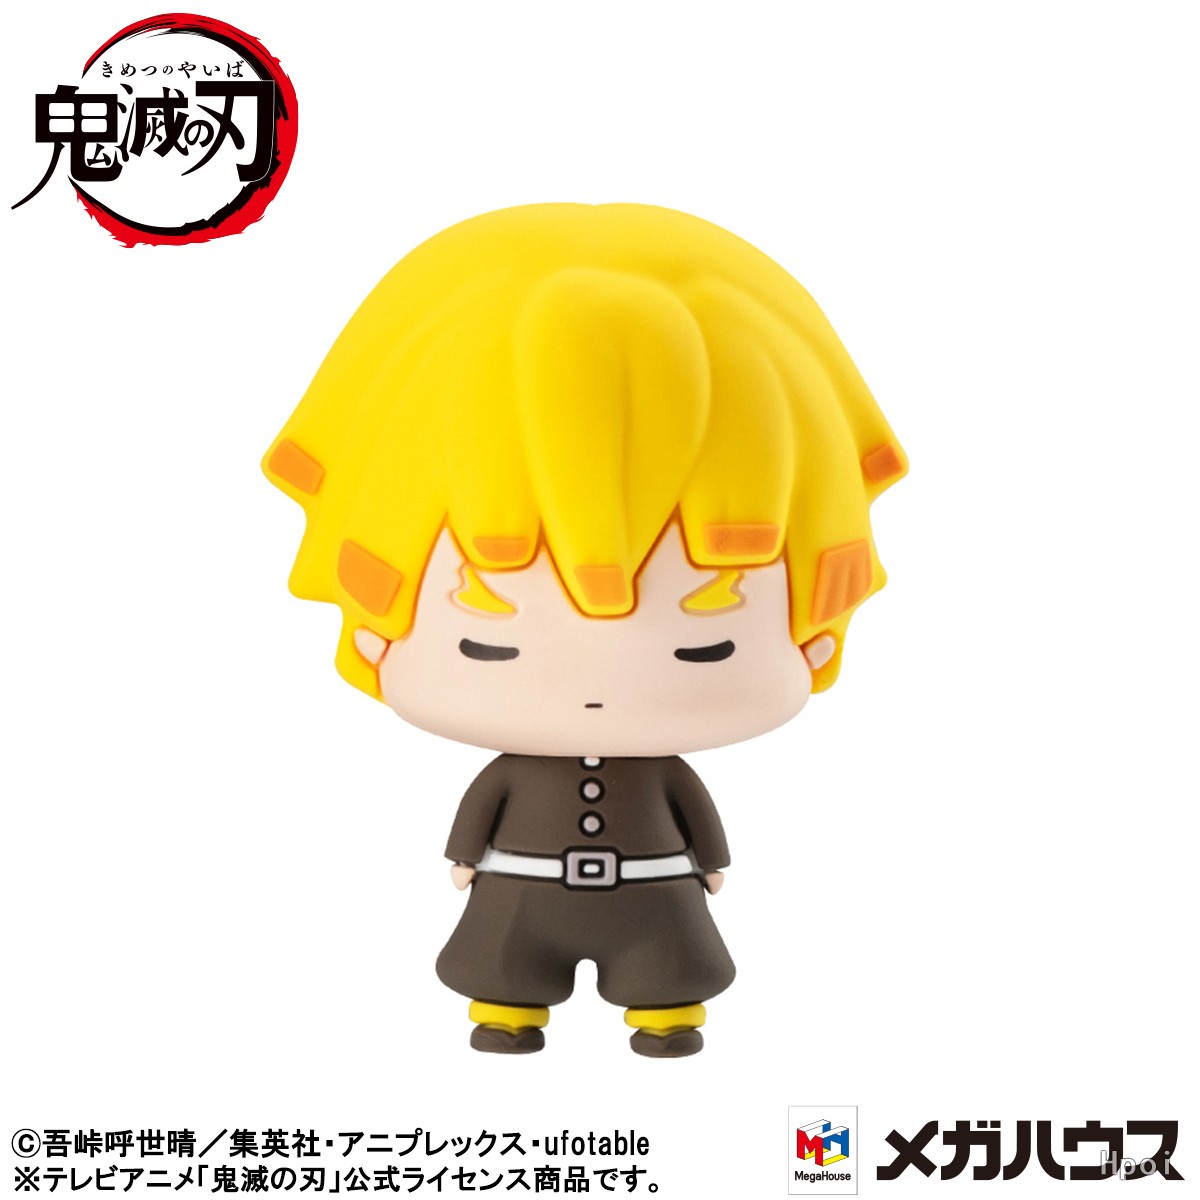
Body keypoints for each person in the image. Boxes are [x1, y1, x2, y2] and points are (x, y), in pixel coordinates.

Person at [263, 203, 906, 1056]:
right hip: (525, 894)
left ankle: (665, 1011)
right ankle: (509, 1009)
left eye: (703, 646)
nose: (595, 688)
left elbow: (694, 822)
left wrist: (710, 860)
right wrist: (466, 855)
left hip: (653, 892)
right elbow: (483, 816)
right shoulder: (521, 771)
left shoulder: (661, 772)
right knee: (504, 960)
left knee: (668, 960)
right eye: (489, 642)